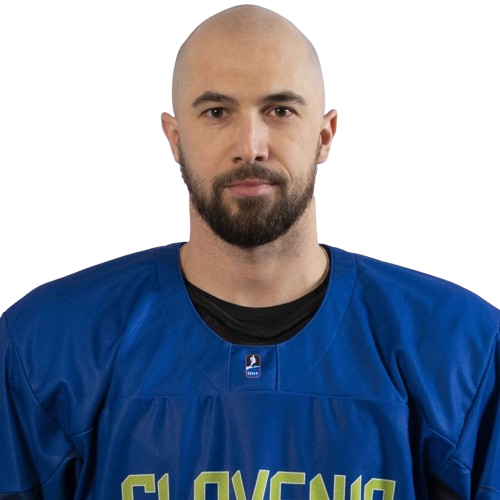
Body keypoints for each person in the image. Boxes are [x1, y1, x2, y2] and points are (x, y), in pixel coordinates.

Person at [1, 5, 498, 499]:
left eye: (280, 110)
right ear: (175, 139)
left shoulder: (461, 343)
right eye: (217, 112)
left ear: (325, 136)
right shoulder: (47, 342)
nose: (251, 146)